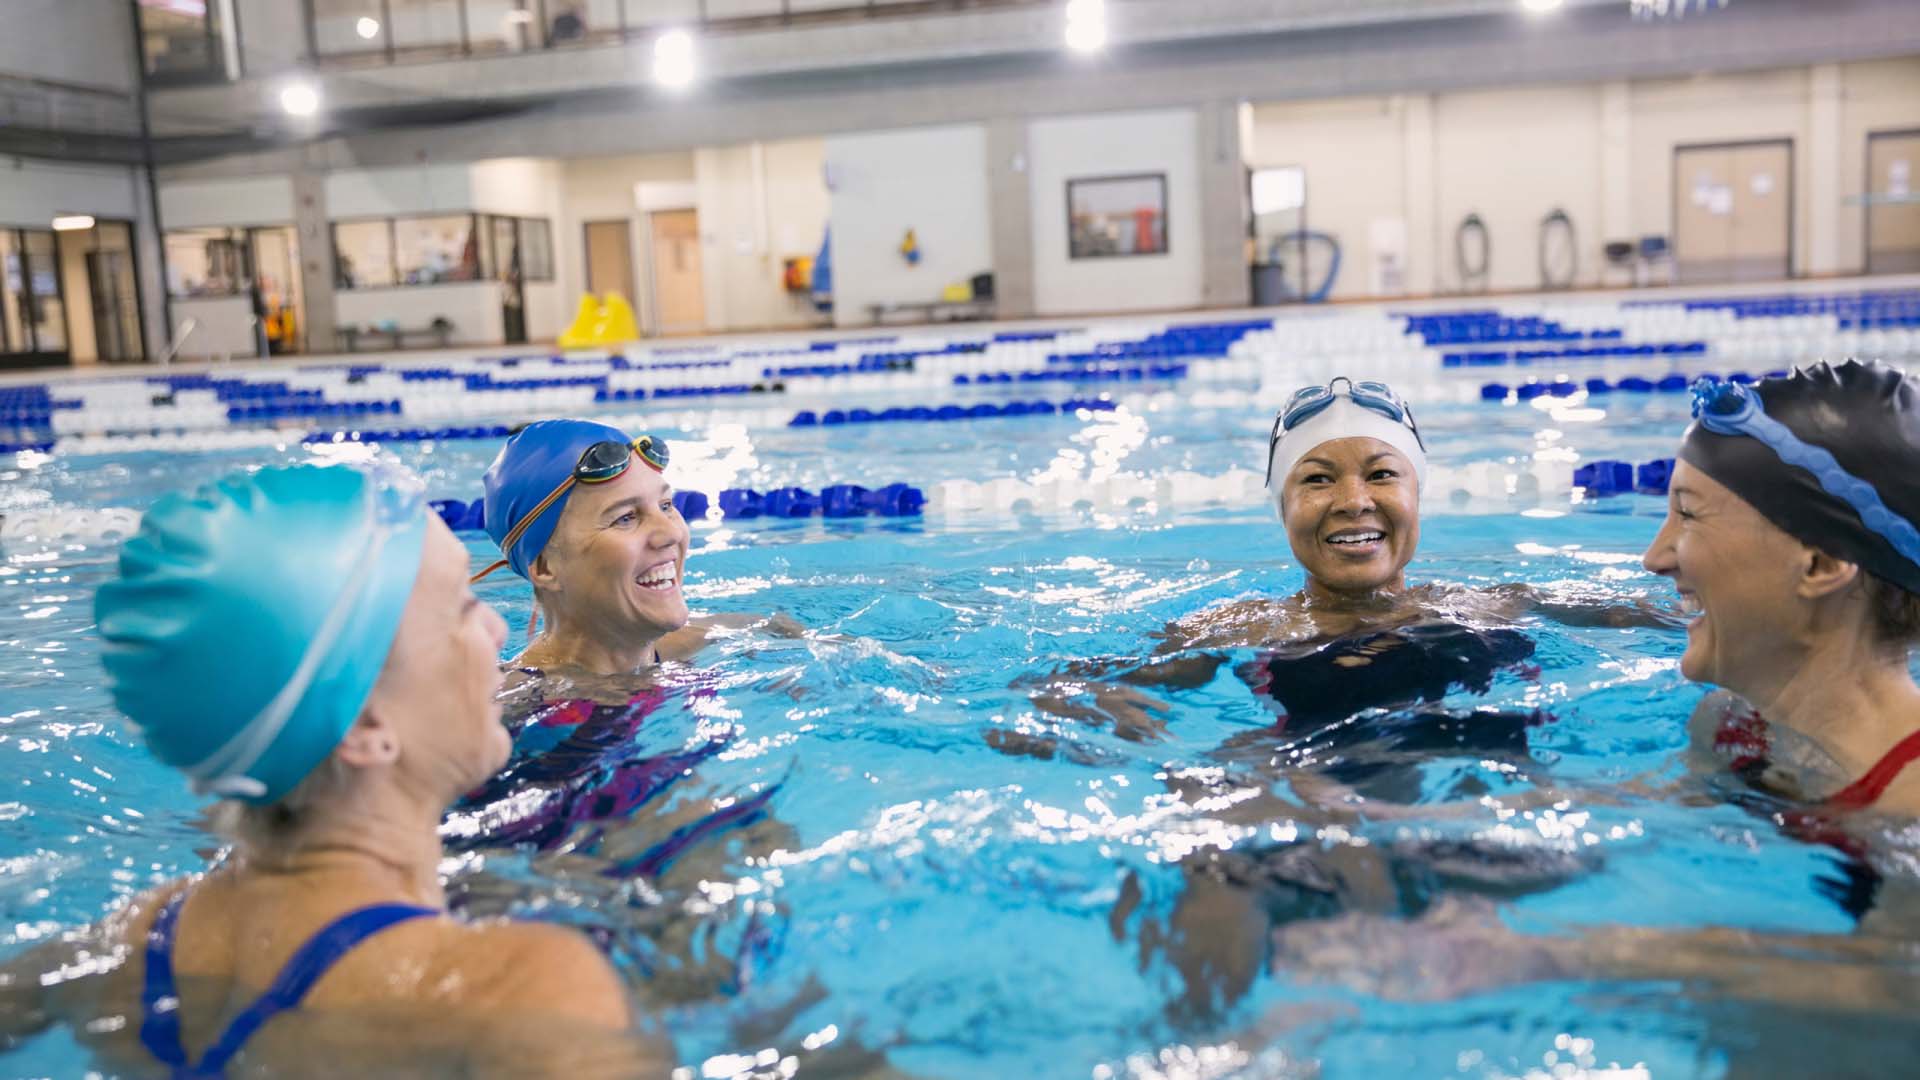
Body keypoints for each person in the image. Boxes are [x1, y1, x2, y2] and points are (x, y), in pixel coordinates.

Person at [0, 464, 664, 1075]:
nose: (495, 629)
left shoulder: (122, 949)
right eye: (458, 611)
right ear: (366, 729)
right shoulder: (516, 993)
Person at [461, 420, 794, 1005]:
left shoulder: (698, 643)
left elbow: (791, 631)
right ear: (544, 568)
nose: (669, 532)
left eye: (665, 504)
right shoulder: (515, 710)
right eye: (626, 518)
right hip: (607, 957)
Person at [1644, 361, 1920, 817]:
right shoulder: (1731, 726)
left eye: (1689, 515)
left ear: (1821, 565)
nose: (1653, 558)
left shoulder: (1908, 803)